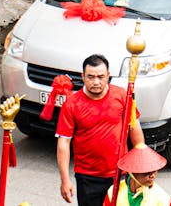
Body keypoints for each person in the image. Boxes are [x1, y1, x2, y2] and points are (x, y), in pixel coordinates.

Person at [57, 54, 144, 206]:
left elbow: (135, 129)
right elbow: (63, 142)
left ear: (108, 76)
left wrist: (141, 166)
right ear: (82, 76)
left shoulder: (122, 96)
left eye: (100, 77)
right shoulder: (72, 104)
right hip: (88, 179)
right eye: (90, 77)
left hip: (121, 174)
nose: (96, 82)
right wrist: (65, 180)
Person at [102, 145, 171, 206]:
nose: (152, 176)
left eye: (154, 171)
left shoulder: (164, 200)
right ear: (133, 172)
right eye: (147, 172)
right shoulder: (113, 192)